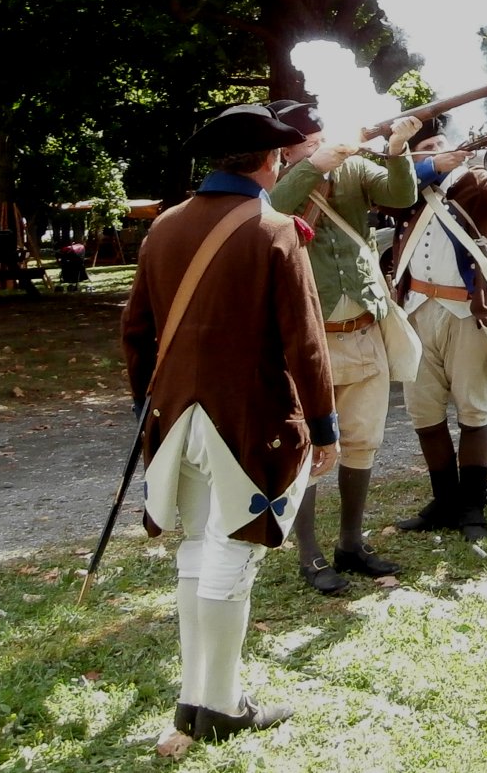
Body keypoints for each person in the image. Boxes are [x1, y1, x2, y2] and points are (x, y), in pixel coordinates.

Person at [119, 103, 338, 745]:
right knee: (231, 553)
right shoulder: (274, 230)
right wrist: (323, 426)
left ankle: (196, 700)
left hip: (172, 419)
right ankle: (219, 705)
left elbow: (136, 333)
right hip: (249, 419)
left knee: (195, 552)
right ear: (270, 161)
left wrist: (148, 415)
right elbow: (305, 344)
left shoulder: (162, 227)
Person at [266, 102, 422, 595]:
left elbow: (400, 193)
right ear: (285, 149)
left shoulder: (353, 168)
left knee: (362, 440)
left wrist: (397, 149)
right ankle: (308, 555)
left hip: (365, 326)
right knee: (311, 448)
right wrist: (316, 164)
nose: (315, 144)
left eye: (318, 137)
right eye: (305, 142)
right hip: (309, 340)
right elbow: (273, 211)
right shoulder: (276, 181)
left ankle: (350, 543)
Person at [390, 121, 487, 541]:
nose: (436, 148)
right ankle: (445, 501)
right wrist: (428, 167)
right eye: (426, 147)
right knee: (425, 413)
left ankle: (472, 507)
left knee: (474, 410)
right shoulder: (404, 187)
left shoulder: (475, 180)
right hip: (416, 310)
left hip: (467, 311)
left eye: (440, 142)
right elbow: (390, 197)